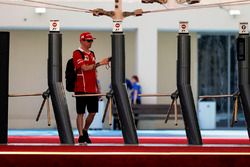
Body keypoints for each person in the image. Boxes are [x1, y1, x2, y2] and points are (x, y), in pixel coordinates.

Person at [73, 32, 109, 144]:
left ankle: (85, 130)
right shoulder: (77, 53)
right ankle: (80, 135)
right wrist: (100, 63)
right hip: (81, 88)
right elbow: (84, 68)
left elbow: (94, 71)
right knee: (80, 113)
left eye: (91, 40)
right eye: (88, 41)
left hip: (92, 89)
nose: (90, 43)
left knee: (93, 112)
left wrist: (98, 88)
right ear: (82, 41)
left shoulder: (92, 53)